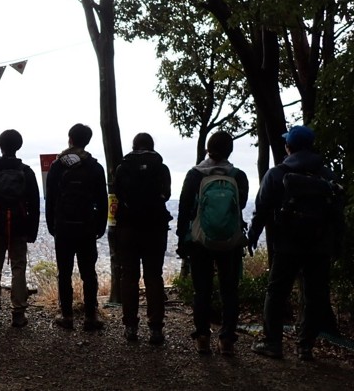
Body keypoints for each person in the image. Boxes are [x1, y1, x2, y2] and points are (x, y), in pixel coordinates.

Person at [249, 126, 343, 361]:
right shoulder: (327, 175)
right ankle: (305, 346)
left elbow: (261, 210)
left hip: (286, 244)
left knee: (276, 292)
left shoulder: (276, 174)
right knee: (314, 295)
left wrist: (252, 236)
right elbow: (337, 214)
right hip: (319, 245)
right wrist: (337, 245)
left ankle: (273, 343)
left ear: (288, 146)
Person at [175, 130, 249, 356]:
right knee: (229, 290)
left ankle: (203, 338)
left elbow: (184, 207)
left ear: (208, 148)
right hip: (230, 241)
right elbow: (241, 205)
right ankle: (227, 340)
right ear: (230, 150)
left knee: (202, 290)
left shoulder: (195, 174)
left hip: (200, 240)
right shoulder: (238, 176)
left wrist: (181, 237)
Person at [45, 123, 108, 331]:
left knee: (64, 272)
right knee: (88, 272)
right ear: (87, 141)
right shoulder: (95, 167)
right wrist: (100, 225)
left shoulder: (57, 165)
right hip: (86, 226)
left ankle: (67, 315)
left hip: (63, 225)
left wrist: (52, 223)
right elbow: (102, 200)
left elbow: (50, 197)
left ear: (69, 138)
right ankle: (91, 316)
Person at [0, 129, 40, 327]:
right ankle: (18, 313)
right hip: (20, 224)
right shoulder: (26, 171)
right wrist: (32, 230)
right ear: (18, 146)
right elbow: (35, 204)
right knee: (18, 267)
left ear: (0, 145)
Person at [114, 133, 172, 344]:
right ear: (152, 146)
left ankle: (131, 327)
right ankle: (156, 328)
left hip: (128, 228)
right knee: (153, 277)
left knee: (128, 277)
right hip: (155, 228)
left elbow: (118, 195)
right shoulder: (161, 168)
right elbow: (166, 193)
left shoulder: (123, 167)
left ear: (134, 146)